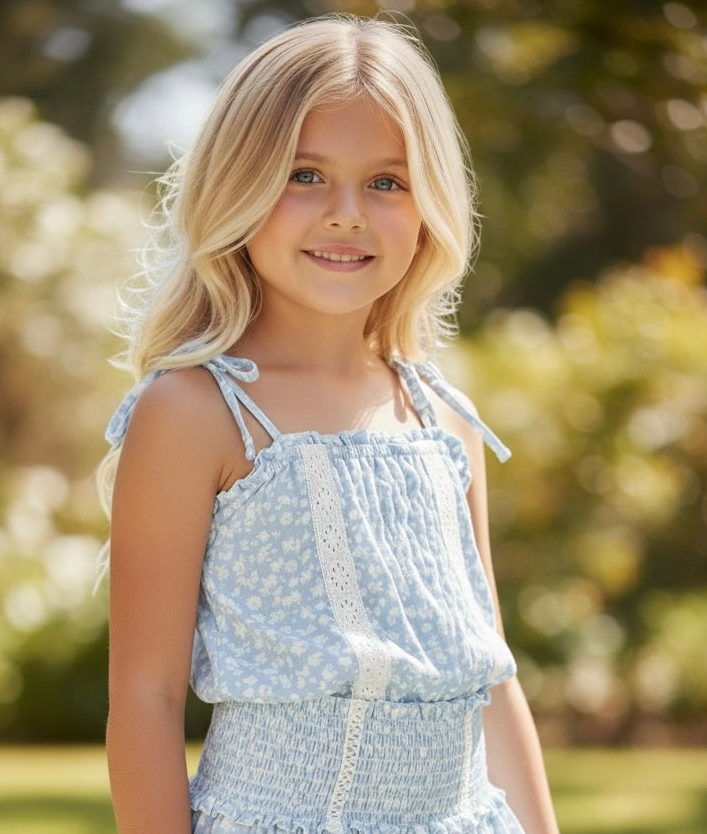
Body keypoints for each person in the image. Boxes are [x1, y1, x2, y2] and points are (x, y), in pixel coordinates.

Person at [99, 13, 560, 834]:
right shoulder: (194, 413)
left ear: (428, 206)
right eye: (305, 175)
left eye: (386, 181)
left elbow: (491, 681)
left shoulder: (441, 421)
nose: (346, 214)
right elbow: (146, 696)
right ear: (237, 185)